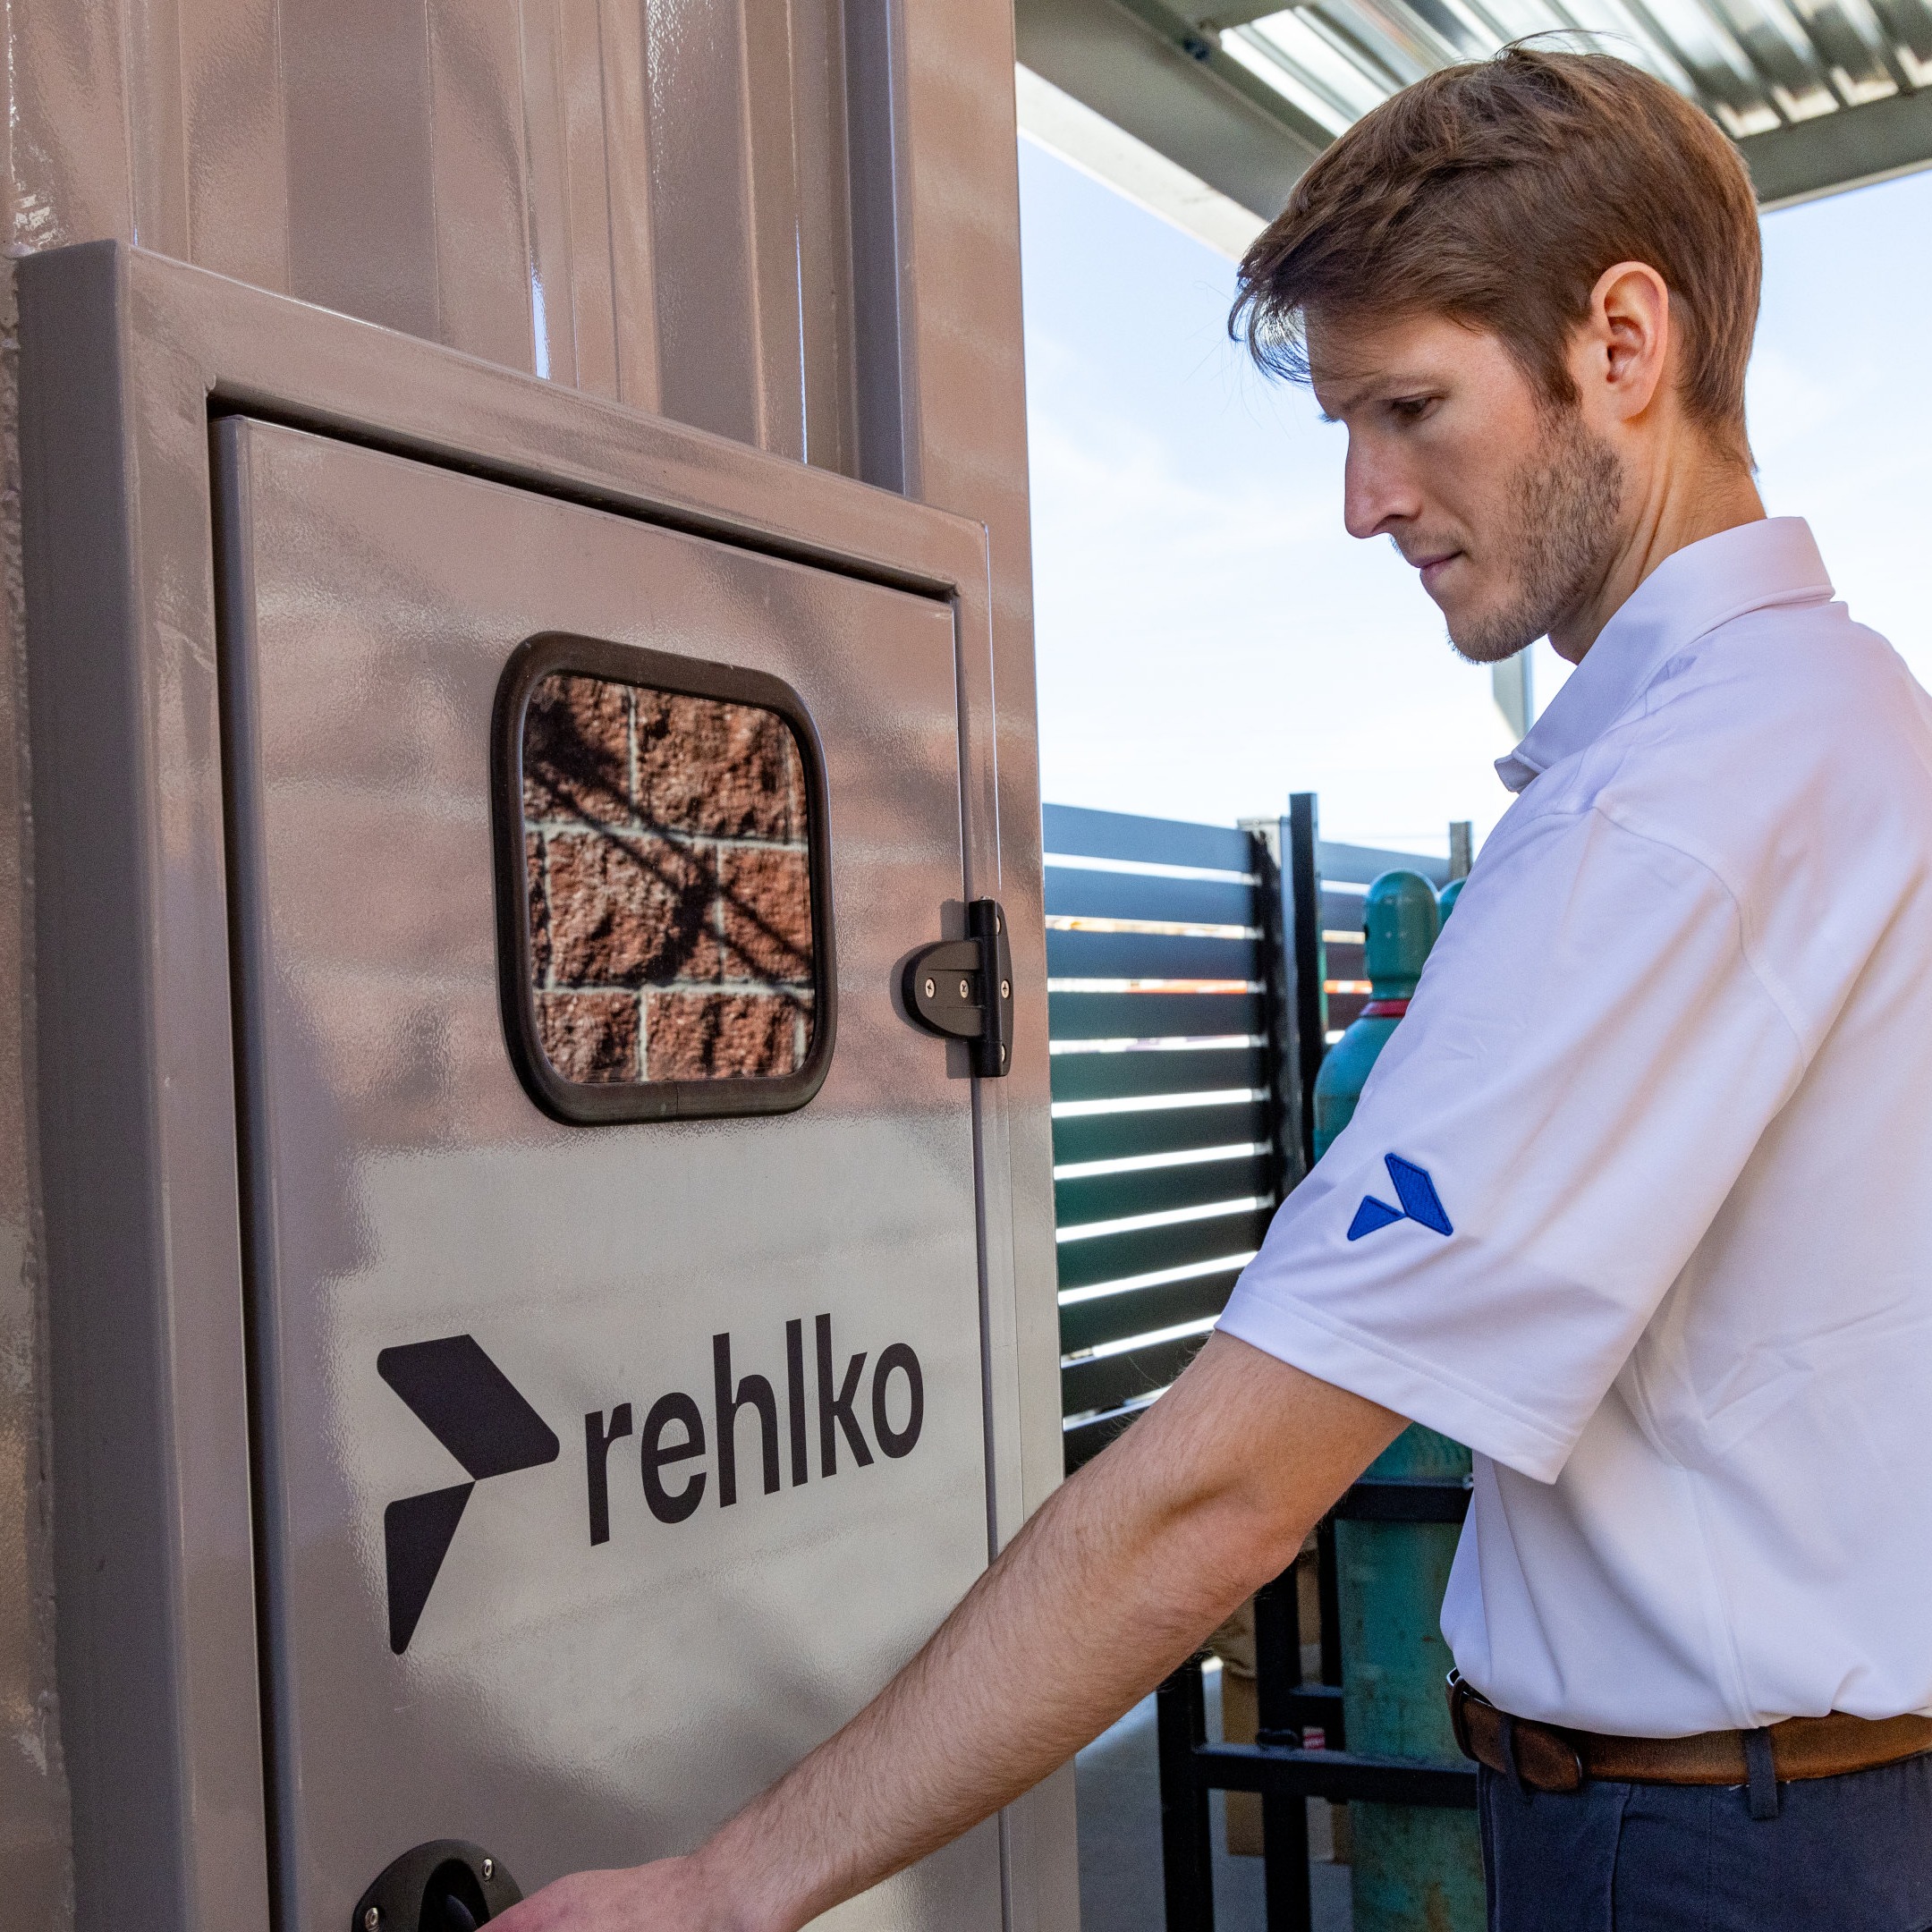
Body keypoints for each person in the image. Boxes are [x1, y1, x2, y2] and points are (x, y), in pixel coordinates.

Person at [498, 47, 1932, 1931]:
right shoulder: (1850, 724)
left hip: (1717, 1854)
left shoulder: (1674, 815)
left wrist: (726, 1886)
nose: (1363, 499)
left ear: (1623, 342)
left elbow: (1229, 1493)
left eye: (1411, 407)